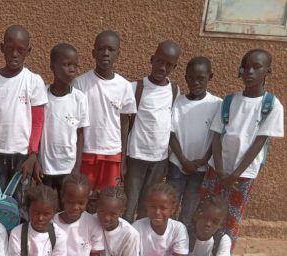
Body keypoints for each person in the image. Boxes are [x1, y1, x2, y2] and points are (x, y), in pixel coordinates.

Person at [201, 48, 284, 252]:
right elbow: (217, 136)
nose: (250, 71)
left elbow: (259, 143)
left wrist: (234, 175)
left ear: (268, 71)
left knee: (232, 216)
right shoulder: (229, 101)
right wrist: (220, 170)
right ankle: (201, 252)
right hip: (216, 169)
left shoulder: (272, 106)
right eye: (245, 66)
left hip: (243, 175)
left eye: (257, 67)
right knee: (206, 211)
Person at [0, 25, 47, 193]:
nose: (15, 54)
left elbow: (38, 122)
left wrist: (33, 154)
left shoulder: (33, 80)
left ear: (28, 51)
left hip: (23, 154)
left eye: (20, 50)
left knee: (20, 201)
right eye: (10, 49)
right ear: (2, 48)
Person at [124, 40, 181, 222]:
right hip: (136, 157)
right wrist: (122, 158)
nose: (163, 67)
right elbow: (125, 126)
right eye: (159, 61)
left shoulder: (174, 90)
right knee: (128, 206)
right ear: (152, 60)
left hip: (159, 160)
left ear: (174, 67)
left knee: (147, 207)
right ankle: (125, 245)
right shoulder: (136, 88)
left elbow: (170, 126)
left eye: (169, 64)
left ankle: (142, 244)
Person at [74, 31, 136, 194]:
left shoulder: (124, 86)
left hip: (112, 154)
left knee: (108, 200)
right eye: (101, 49)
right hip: (86, 153)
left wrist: (123, 160)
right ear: (93, 53)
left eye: (111, 49)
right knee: (82, 199)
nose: (106, 53)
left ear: (118, 54)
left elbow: (125, 124)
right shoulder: (80, 83)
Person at [167, 56, 222, 227]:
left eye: (200, 78)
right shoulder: (177, 103)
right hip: (177, 164)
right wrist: (183, 160)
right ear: (185, 77)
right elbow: (171, 135)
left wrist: (203, 161)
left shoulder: (216, 104)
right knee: (170, 207)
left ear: (210, 77)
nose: (195, 82)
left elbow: (217, 138)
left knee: (190, 211)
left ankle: (183, 248)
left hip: (201, 168)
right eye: (191, 77)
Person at [33, 43, 88, 196]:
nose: (72, 69)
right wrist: (36, 160)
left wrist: (77, 167)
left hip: (68, 167)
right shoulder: (41, 95)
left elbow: (81, 135)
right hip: (46, 167)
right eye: (66, 64)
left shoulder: (79, 98)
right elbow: (35, 130)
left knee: (66, 207)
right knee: (46, 205)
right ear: (53, 67)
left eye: (75, 65)